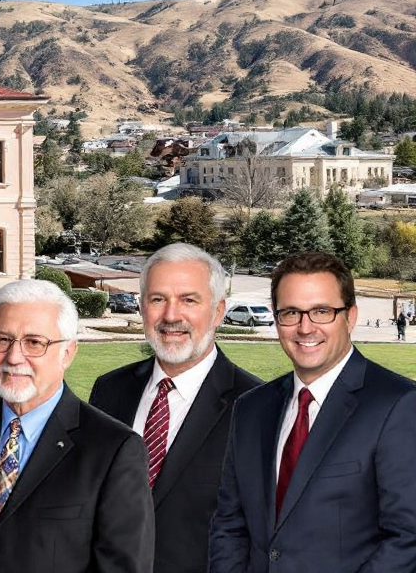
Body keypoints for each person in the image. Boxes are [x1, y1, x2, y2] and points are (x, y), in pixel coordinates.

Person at [0, 279, 154, 573]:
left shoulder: (113, 449)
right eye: (2, 339)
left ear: (68, 353)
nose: (14, 357)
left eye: (34, 342)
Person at [209, 251, 416, 573]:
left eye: (321, 311)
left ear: (350, 317)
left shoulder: (399, 405)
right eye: (291, 312)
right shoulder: (251, 408)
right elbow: (230, 526)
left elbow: (406, 539)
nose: (305, 328)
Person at [88, 243, 262, 573]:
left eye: (188, 300)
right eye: (158, 299)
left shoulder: (257, 407)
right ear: (142, 307)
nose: (171, 316)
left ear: (218, 311)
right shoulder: (109, 391)